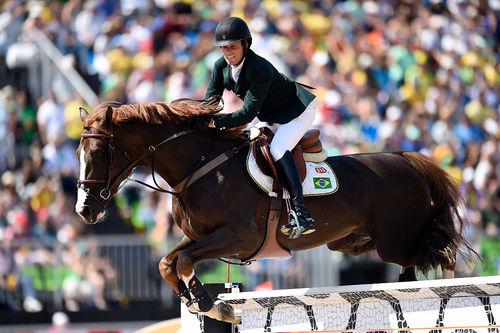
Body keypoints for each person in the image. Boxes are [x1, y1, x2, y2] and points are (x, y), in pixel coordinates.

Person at [198, 17, 317, 239]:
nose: (227, 53)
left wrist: (218, 122)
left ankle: (301, 213)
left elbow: (248, 113)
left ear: (245, 44)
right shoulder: (220, 66)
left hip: (296, 111)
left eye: (232, 46)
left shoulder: (259, 68)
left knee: (278, 150)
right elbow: (210, 101)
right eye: (223, 48)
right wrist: (197, 117)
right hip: (270, 113)